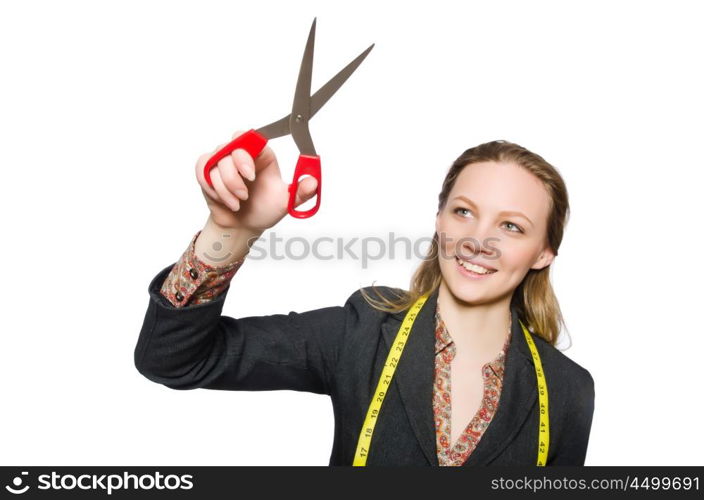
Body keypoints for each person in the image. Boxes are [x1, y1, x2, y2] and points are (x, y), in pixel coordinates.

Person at [134, 130, 595, 466]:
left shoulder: (568, 391)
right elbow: (173, 359)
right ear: (440, 221)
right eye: (464, 212)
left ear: (544, 252)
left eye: (511, 226)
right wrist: (231, 231)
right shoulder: (363, 331)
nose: (478, 239)